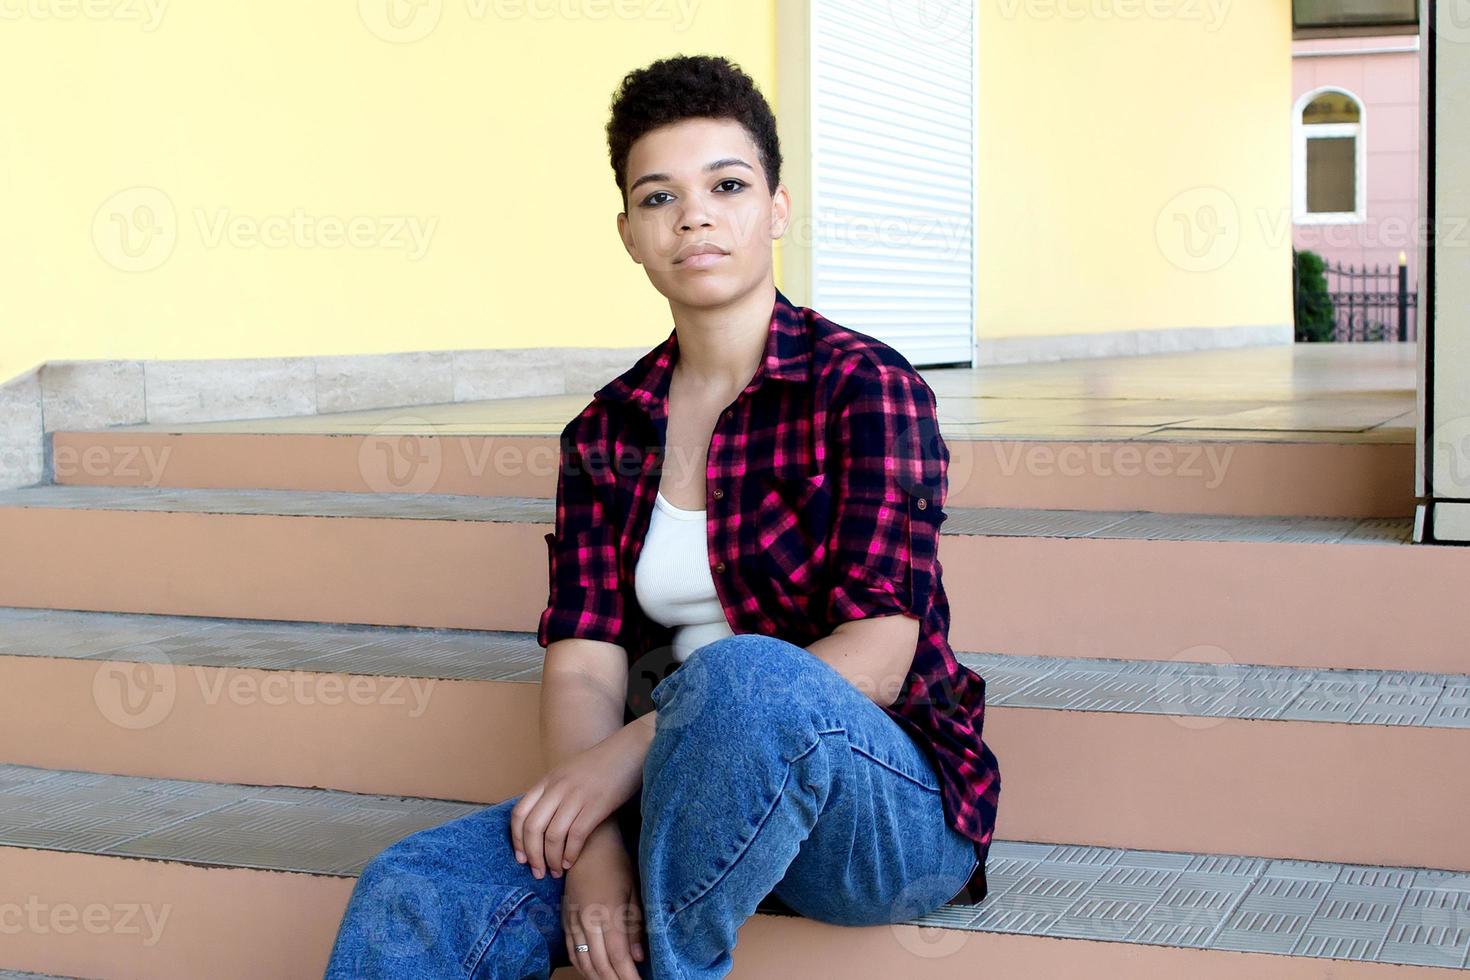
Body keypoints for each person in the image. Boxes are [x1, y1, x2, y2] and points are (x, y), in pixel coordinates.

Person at [323, 53, 1000, 980]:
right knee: (418, 888)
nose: (695, 216)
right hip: (683, 805)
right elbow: (584, 663)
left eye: (728, 184)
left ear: (777, 209)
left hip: (879, 812)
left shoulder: (865, 387)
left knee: (745, 678)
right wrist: (594, 848)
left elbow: (880, 654)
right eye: (658, 197)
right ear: (629, 233)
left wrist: (621, 764)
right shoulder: (608, 429)